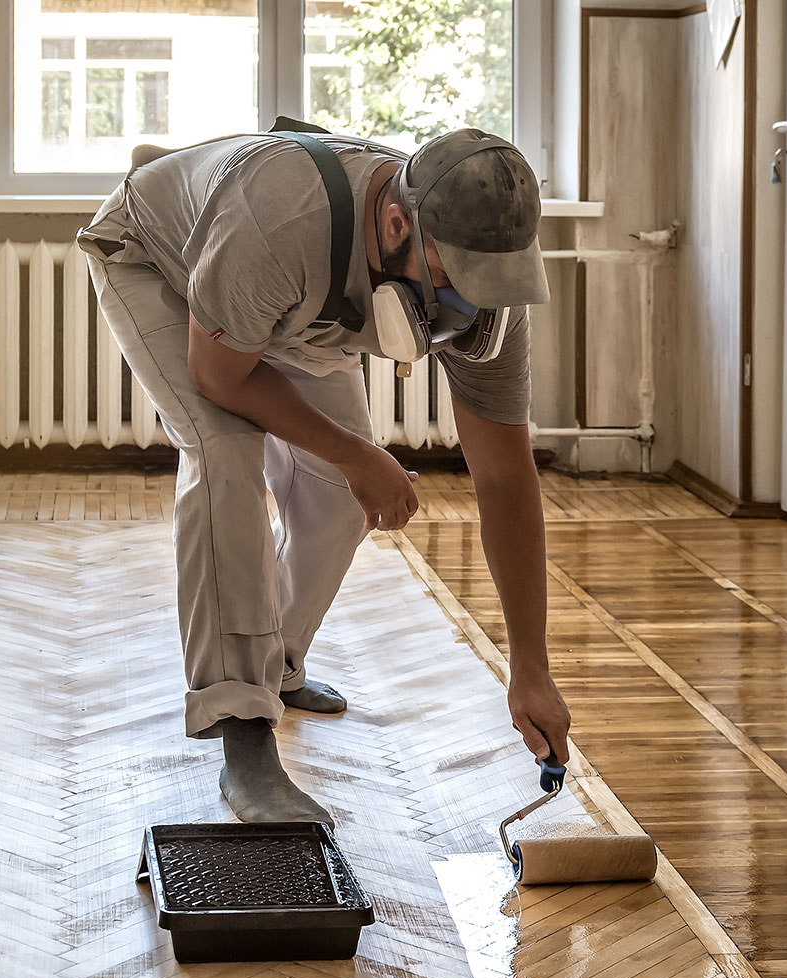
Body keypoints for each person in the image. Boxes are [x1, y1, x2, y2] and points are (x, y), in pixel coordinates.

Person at [78, 124, 570, 827]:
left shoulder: (491, 291)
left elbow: (504, 481)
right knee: (225, 453)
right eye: (451, 277)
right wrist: (356, 452)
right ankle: (242, 731)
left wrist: (531, 665)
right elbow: (220, 377)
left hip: (299, 303)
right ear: (397, 222)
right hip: (159, 260)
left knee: (342, 497)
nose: (468, 307)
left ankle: (276, 664)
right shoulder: (279, 219)